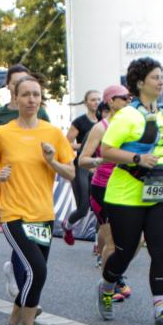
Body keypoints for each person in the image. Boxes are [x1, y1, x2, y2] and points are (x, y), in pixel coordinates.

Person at [0, 76, 75, 325]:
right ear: (16, 99)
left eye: (36, 95)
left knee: (33, 276)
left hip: (43, 214)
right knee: (38, 271)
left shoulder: (53, 133)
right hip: (13, 213)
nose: (32, 100)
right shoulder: (2, 132)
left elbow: (70, 173)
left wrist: (52, 161)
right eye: (26, 95)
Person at [97, 57, 163, 325]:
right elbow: (106, 150)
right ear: (139, 83)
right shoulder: (127, 115)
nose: (160, 82)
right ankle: (107, 286)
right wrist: (136, 158)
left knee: (161, 250)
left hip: (159, 193)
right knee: (124, 252)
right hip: (125, 195)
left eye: (162, 77)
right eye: (155, 77)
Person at [0, 65, 53, 302]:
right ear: (11, 89)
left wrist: (52, 159)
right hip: (7, 187)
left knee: (33, 247)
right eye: (17, 84)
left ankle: (24, 295)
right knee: (21, 239)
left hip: (37, 193)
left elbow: (54, 149)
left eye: (28, 84)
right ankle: (25, 290)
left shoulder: (42, 116)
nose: (28, 95)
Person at [80, 86, 133, 289]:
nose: (128, 101)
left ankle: (112, 274)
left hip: (126, 189)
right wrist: (103, 159)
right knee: (112, 239)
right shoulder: (101, 127)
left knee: (133, 240)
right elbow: (82, 160)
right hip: (103, 189)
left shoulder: (133, 126)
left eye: (130, 98)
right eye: (124, 98)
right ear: (111, 101)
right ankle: (111, 284)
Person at [62, 89, 101, 245]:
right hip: (82, 167)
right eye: (93, 99)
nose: (96, 102)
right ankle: (68, 225)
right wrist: (84, 146)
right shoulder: (80, 122)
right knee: (83, 208)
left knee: (101, 208)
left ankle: (99, 244)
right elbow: (65, 143)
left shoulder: (104, 122)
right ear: (86, 103)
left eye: (98, 99)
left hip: (99, 167)